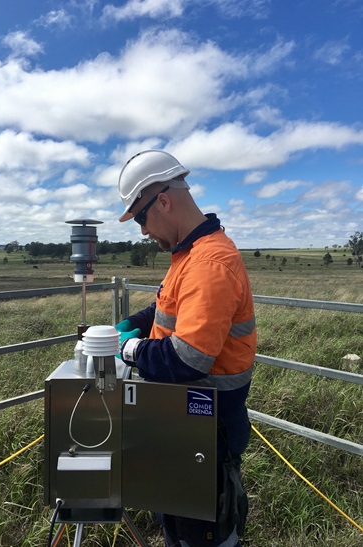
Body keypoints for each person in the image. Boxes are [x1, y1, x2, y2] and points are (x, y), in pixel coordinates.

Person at [116, 150, 256, 547]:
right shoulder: (188, 254)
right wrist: (134, 324)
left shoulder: (210, 262)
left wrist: (129, 349)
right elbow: (171, 307)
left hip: (208, 425)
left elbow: (188, 359)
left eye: (142, 217)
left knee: (202, 532)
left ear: (163, 200)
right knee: (175, 521)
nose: (143, 231)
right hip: (185, 421)